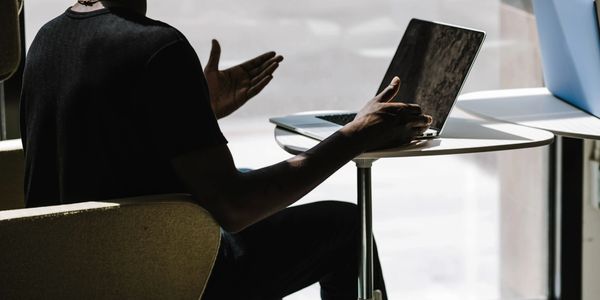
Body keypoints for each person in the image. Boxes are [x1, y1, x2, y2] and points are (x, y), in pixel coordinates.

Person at [20, 0, 432, 299]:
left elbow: (102, 149)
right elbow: (234, 208)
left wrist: (194, 112)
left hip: (74, 270)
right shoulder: (156, 48)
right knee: (346, 228)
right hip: (161, 274)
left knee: (252, 172)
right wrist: (356, 135)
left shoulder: (48, 38)